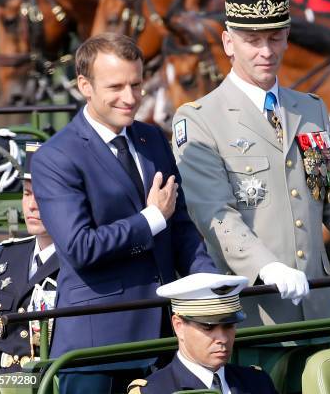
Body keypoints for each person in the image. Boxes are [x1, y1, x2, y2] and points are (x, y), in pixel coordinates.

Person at [172, 0, 330, 328]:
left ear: (287, 36)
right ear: (228, 42)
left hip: (316, 309)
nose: (265, 52)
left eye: (274, 38)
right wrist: (264, 266)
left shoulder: (310, 111)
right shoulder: (200, 120)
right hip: (252, 314)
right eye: (251, 41)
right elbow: (215, 214)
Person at [31, 33, 217, 391]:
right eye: (116, 87)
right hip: (97, 346)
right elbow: (80, 248)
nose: (130, 98)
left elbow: (179, 227)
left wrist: (207, 285)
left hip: (167, 340)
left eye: (136, 84)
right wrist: (150, 219)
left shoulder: (151, 140)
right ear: (84, 85)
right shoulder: (56, 157)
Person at [0, 142, 59, 374]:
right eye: (27, 193)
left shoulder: (78, 261)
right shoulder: (9, 257)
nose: (32, 206)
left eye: (43, 195)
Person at [127, 273, 278, 393]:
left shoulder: (257, 382)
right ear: (178, 326)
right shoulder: (152, 391)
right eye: (208, 327)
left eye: (229, 326)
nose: (223, 339)